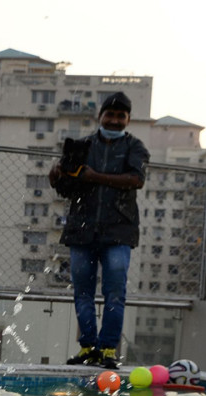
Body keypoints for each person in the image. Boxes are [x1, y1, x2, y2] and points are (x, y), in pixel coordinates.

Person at [49, 91, 149, 370]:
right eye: (110, 115)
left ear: (128, 119)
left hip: (119, 230)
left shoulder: (135, 148)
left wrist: (95, 177)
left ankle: (107, 349)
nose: (115, 120)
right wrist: (55, 178)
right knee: (83, 291)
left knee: (115, 291)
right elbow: (67, 188)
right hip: (82, 229)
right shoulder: (80, 147)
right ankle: (88, 347)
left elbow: (136, 180)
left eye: (121, 116)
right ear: (100, 116)